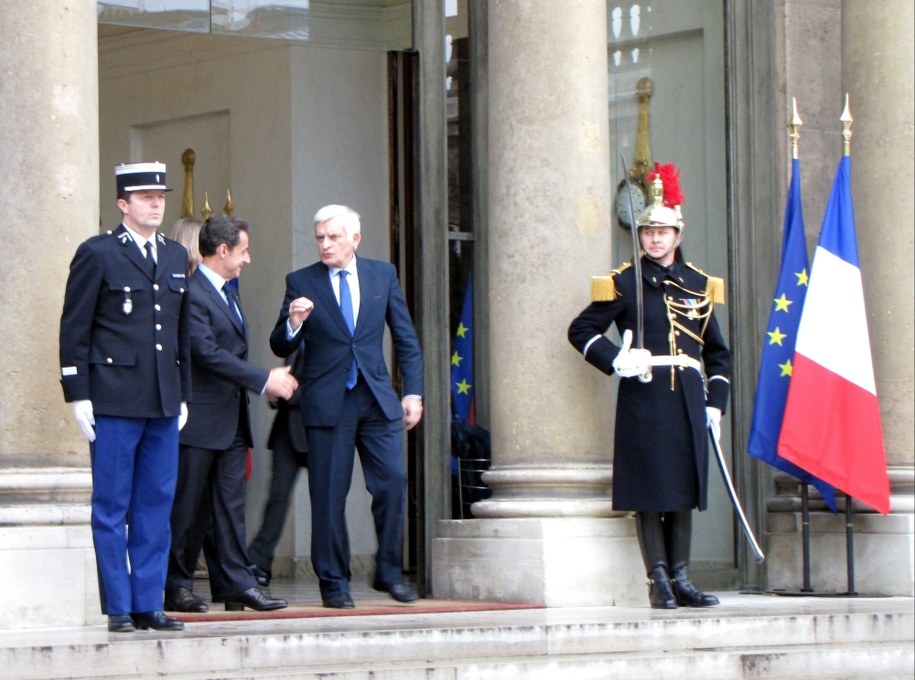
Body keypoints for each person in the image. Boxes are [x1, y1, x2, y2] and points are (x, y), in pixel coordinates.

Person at [568, 163, 730, 609]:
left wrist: (716, 404)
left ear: (678, 235)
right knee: (649, 491)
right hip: (644, 395)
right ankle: (657, 579)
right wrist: (617, 358)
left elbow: (717, 354)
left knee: (681, 490)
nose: (655, 239)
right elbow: (581, 330)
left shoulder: (700, 285)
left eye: (663, 231)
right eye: (648, 232)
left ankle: (681, 577)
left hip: (687, 399)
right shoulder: (622, 283)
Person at [270, 204, 424, 609]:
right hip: (327, 403)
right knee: (328, 497)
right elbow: (279, 343)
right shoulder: (301, 281)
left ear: (354, 239)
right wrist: (294, 322)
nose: (324, 244)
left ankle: (388, 571)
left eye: (333, 237)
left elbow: (405, 338)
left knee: (391, 482)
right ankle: (333, 582)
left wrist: (413, 393)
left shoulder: (382, 275)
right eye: (319, 237)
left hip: (375, 399)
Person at [59, 161, 189, 633]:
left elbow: (180, 334)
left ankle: (147, 602)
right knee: (112, 505)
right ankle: (118, 605)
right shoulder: (97, 253)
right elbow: (76, 327)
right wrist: (78, 392)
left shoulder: (175, 256)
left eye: (160, 196)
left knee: (156, 502)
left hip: (161, 399)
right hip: (113, 399)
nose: (157, 203)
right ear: (123, 204)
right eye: (145, 197)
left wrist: (183, 392)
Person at [165, 215, 297, 613]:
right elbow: (205, 353)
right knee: (189, 507)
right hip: (200, 420)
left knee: (230, 505)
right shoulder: (191, 293)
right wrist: (263, 379)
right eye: (243, 252)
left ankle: (236, 584)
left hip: (231, 420)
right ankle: (175, 584)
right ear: (222, 251)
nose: (248, 260)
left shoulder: (226, 292)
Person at [247, 348, 309, 588]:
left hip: (318, 430)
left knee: (329, 506)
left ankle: (337, 567)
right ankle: (258, 562)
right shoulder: (293, 333)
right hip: (287, 429)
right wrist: (274, 392)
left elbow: (328, 385)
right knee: (277, 500)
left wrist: (281, 392)